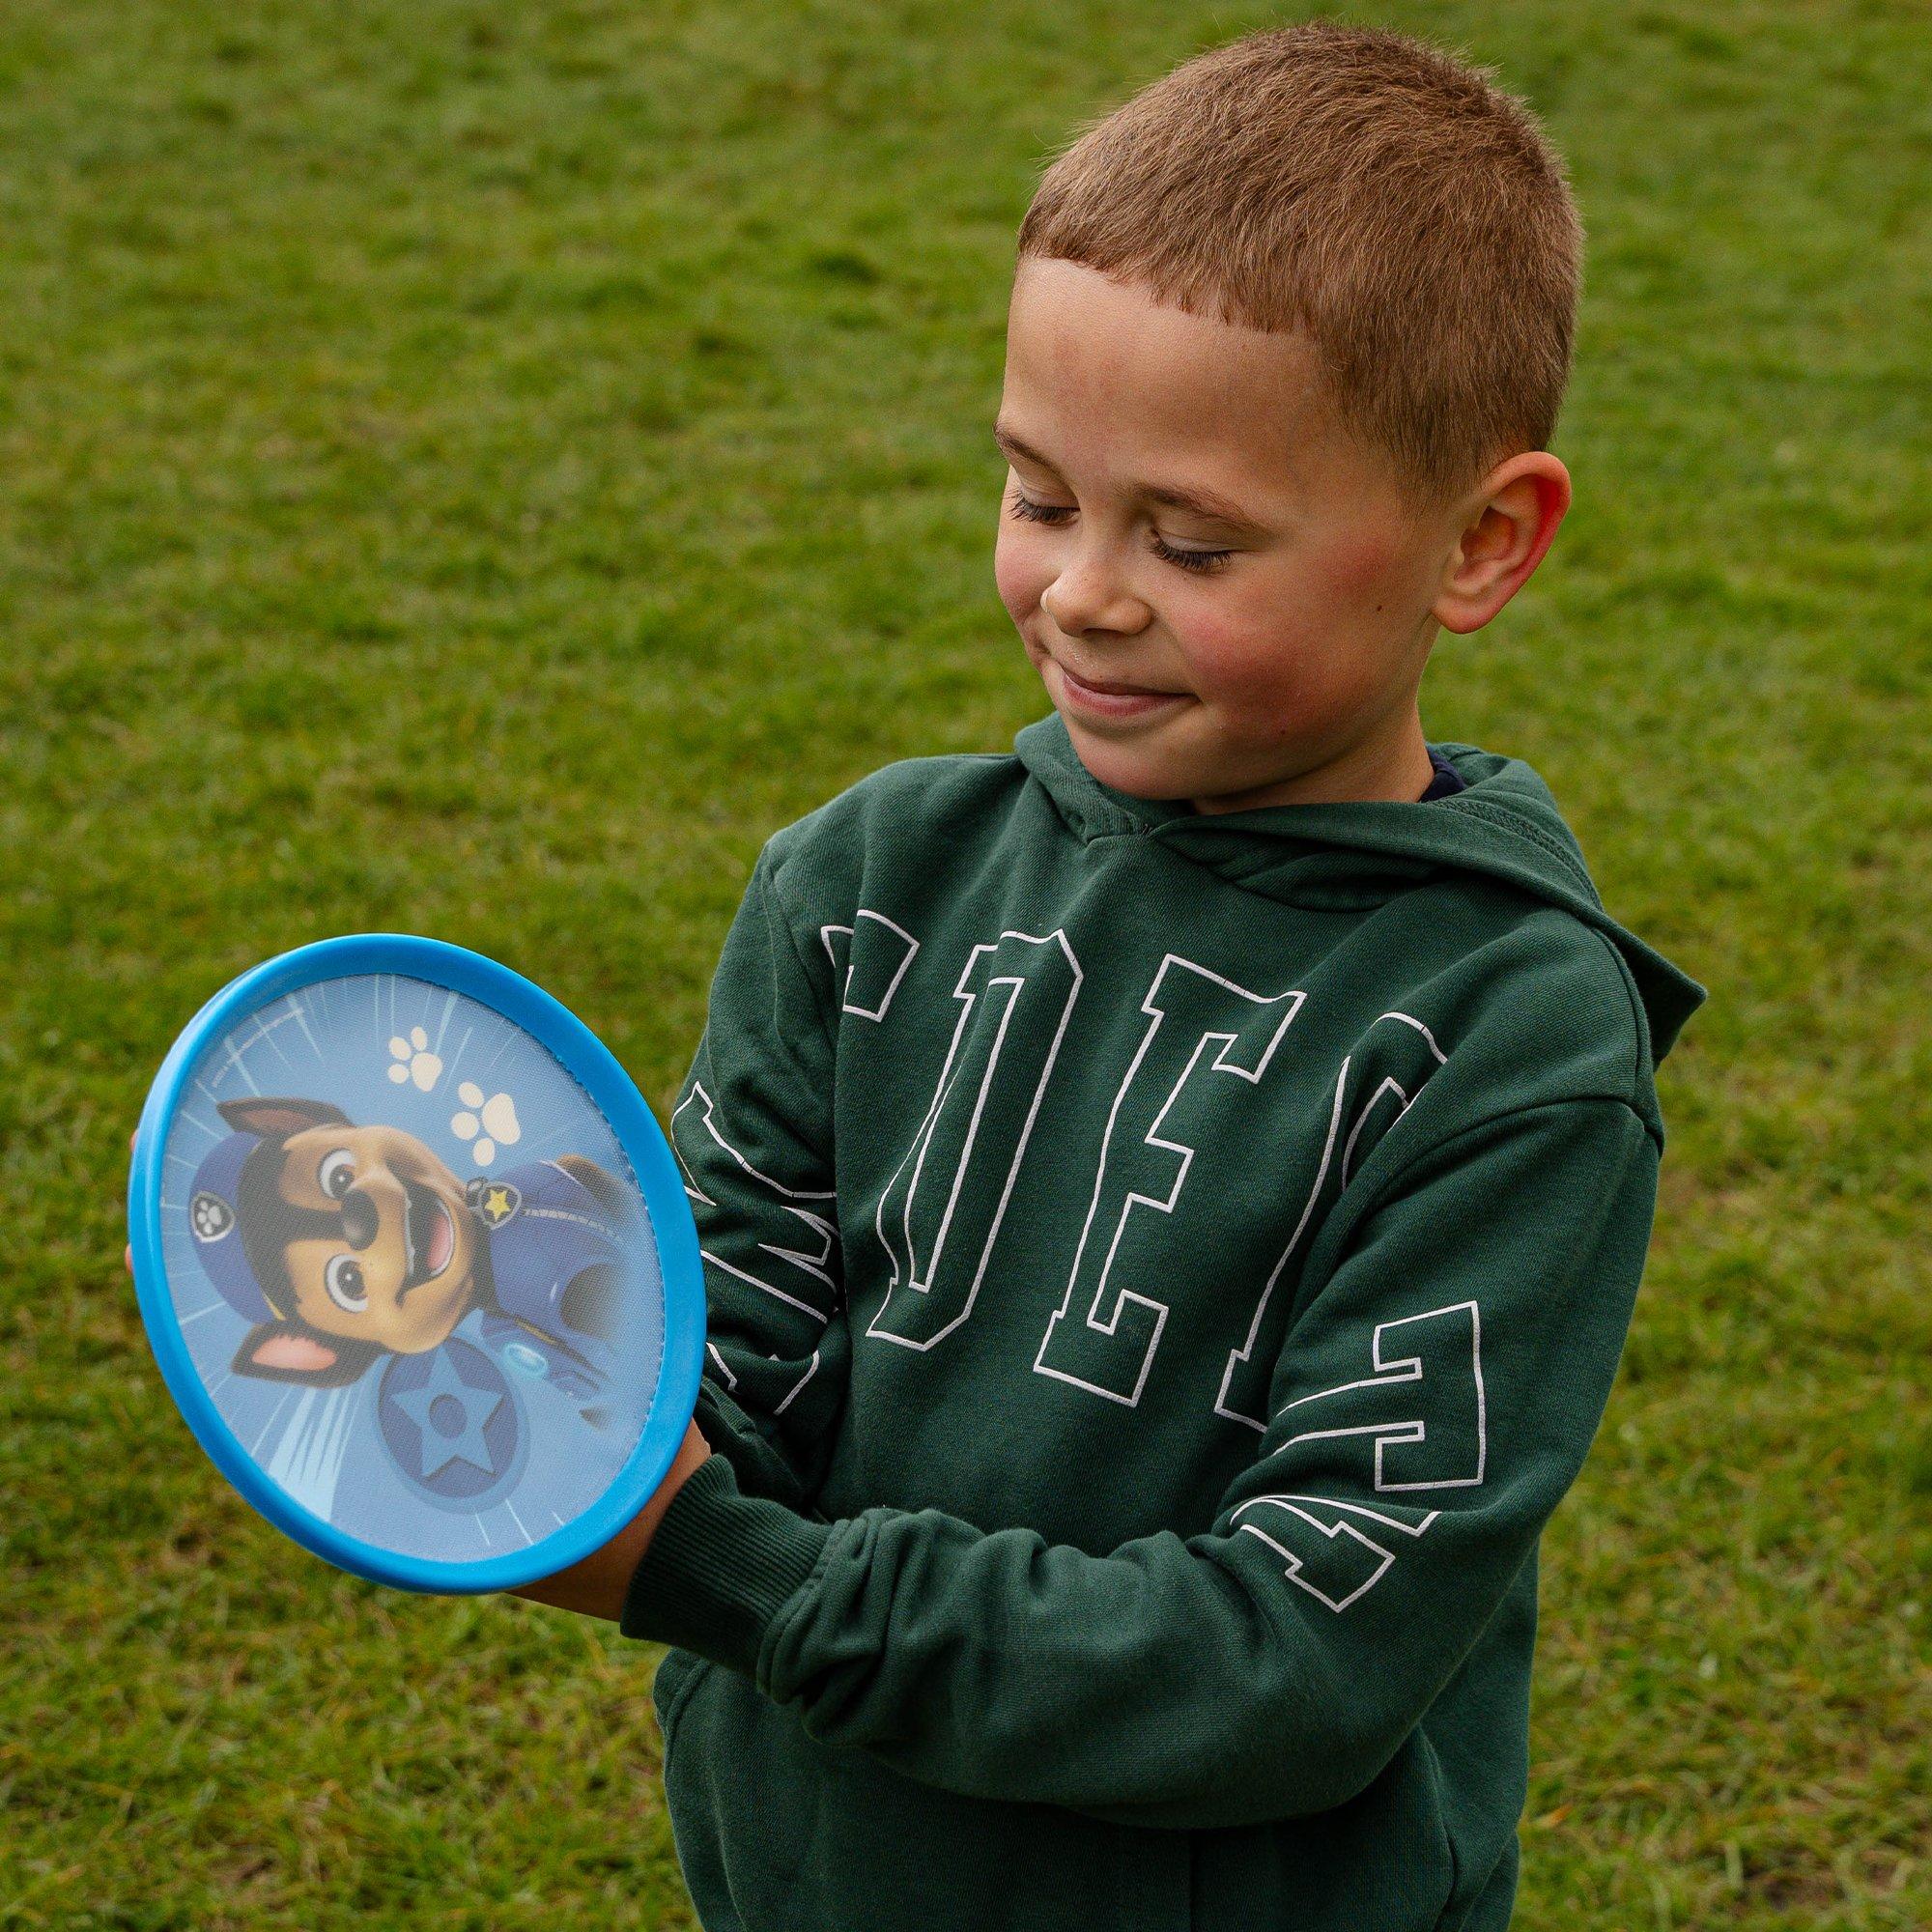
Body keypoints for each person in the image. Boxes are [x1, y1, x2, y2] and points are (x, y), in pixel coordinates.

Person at [515, 21, 1709, 1929]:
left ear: (1480, 543)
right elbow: (731, 1329)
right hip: (814, 1873)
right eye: (1038, 494)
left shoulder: (1509, 1046)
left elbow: (1297, 1662)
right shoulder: (866, 883)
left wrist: (727, 1578)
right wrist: (544, 1387)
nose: (1081, 590)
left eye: (1193, 540)